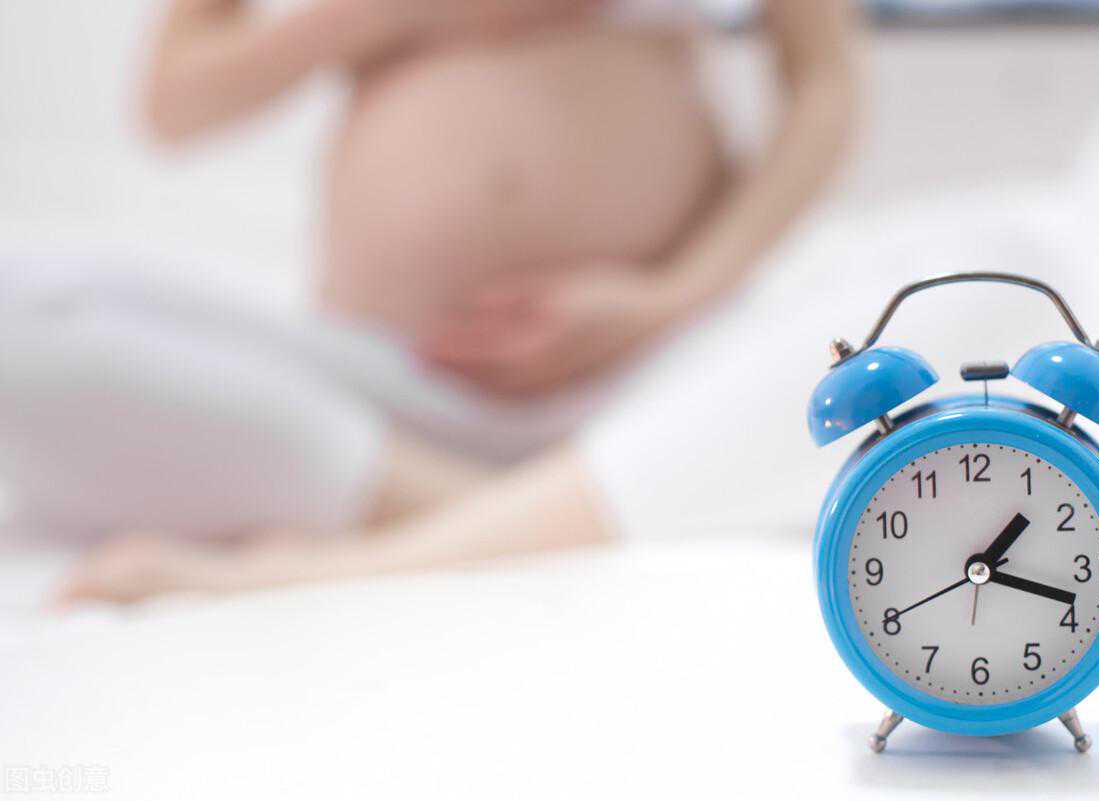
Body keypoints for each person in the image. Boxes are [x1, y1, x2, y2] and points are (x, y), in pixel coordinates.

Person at [26, 0, 860, 603]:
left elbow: (824, 86)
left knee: (897, 307)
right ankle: (498, 513)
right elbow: (174, 105)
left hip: (648, 367)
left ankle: (483, 512)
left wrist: (669, 296)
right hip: (383, 385)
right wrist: (379, 16)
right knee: (24, 308)